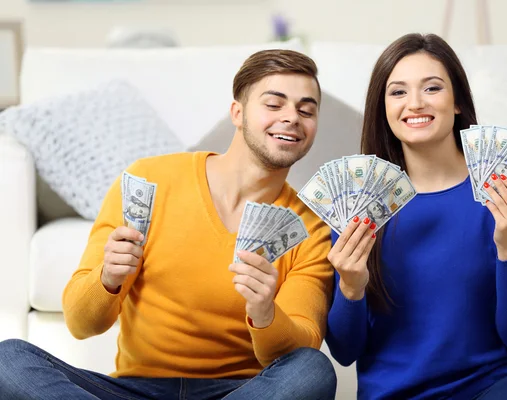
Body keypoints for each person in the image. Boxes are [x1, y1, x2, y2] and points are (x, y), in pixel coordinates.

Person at [0, 49, 337, 400]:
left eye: (306, 110)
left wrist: (265, 312)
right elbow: (80, 323)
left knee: (312, 370)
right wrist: (108, 279)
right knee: (7, 360)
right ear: (237, 113)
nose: (292, 118)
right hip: (133, 390)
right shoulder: (150, 181)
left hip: (239, 392)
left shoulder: (310, 229)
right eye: (274, 104)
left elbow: (299, 349)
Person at [325, 33, 507, 399]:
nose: (414, 103)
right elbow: (345, 352)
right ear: (383, 108)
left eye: (431, 88)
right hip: (394, 393)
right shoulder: (357, 205)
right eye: (397, 92)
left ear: (458, 100)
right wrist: (351, 286)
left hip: (490, 386)